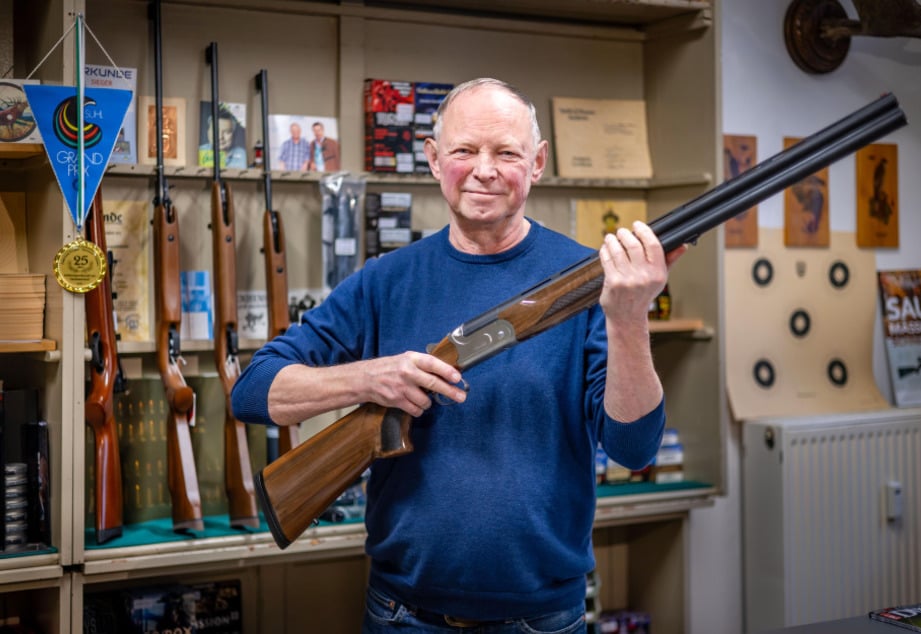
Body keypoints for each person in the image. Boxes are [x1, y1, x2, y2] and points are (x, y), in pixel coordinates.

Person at [231, 77, 684, 632]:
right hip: (402, 614)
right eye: (465, 150)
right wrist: (371, 380)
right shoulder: (385, 281)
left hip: (542, 618)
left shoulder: (591, 284)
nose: (484, 169)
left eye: (507, 153)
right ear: (432, 157)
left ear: (538, 162)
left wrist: (629, 316)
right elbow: (252, 390)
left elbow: (634, 448)